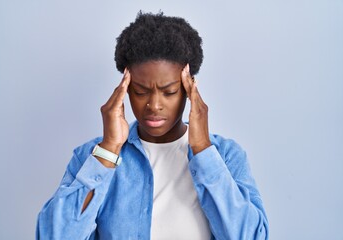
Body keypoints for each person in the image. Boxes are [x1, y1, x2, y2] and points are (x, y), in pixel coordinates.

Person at [36, 11, 269, 240]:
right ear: (125, 89)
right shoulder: (92, 157)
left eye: (169, 92)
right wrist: (108, 150)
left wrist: (202, 150)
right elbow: (52, 236)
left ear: (189, 89)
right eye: (140, 91)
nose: (154, 105)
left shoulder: (226, 156)